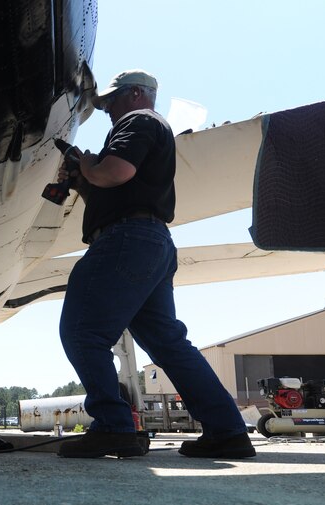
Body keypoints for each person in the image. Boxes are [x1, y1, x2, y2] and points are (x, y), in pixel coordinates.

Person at [56, 69, 255, 459]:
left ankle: (113, 427)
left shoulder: (138, 121)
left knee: (83, 332)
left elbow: (115, 173)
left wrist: (89, 162)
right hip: (151, 243)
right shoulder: (148, 128)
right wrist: (83, 182)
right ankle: (228, 431)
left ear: (134, 95)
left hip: (126, 241)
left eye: (110, 101)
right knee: (169, 345)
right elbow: (118, 185)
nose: (107, 110)